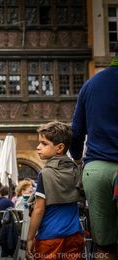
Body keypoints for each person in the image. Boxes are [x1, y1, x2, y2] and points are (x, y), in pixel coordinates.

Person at [70, 59, 118, 260]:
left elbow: (76, 130)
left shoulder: (91, 84)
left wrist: (77, 156)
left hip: (96, 169)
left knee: (104, 246)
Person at [26, 121, 84, 260]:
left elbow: (39, 209)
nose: (38, 147)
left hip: (50, 237)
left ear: (59, 148)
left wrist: (29, 238)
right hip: (75, 234)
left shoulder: (45, 174)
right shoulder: (75, 170)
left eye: (44, 144)